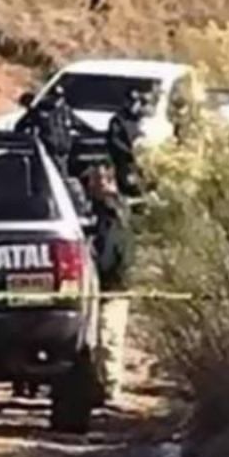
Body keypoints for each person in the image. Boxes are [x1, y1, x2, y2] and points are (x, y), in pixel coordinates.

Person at [83, 163, 134, 403]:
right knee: (100, 338)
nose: (96, 185)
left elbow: (113, 249)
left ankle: (110, 389)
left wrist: (100, 267)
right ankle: (101, 387)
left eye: (100, 180)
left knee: (108, 336)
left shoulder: (112, 211)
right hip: (103, 284)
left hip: (113, 284)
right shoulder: (99, 211)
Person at [17, 87, 75, 174]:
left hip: (64, 147)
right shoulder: (40, 109)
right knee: (51, 172)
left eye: (60, 97)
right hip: (49, 148)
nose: (57, 100)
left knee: (61, 171)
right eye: (54, 97)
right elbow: (22, 125)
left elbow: (73, 125)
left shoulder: (65, 110)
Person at [106, 91, 146, 197]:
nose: (134, 105)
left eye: (136, 102)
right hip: (126, 162)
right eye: (131, 102)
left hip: (142, 162)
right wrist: (129, 152)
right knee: (129, 188)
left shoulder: (141, 119)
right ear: (126, 102)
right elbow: (114, 141)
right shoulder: (118, 120)